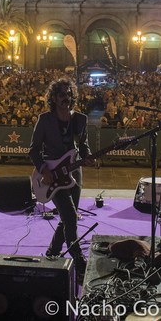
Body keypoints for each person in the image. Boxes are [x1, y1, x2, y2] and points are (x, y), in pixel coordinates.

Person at [29, 77, 95, 279]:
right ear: (54, 98)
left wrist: (87, 156)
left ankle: (53, 252)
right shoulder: (45, 119)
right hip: (52, 175)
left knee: (68, 216)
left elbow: (83, 145)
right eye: (61, 95)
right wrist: (43, 170)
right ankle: (78, 260)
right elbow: (33, 150)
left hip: (74, 174)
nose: (65, 98)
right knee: (70, 217)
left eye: (68, 94)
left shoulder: (80, 119)